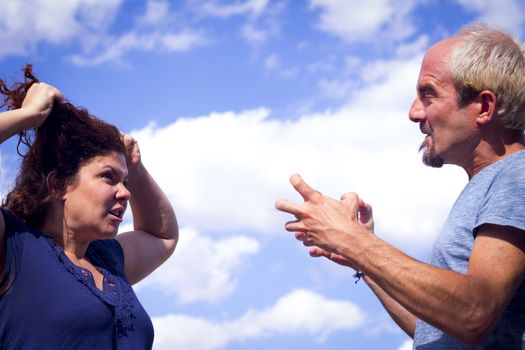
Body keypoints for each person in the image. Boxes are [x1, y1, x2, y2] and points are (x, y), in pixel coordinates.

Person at [275, 23, 525, 349]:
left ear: (484, 106)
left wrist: (352, 241)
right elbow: (437, 328)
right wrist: (363, 256)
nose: (413, 112)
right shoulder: (495, 181)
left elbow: (473, 314)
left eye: (428, 94)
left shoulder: (515, 175)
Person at [0, 65, 179, 349]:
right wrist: (29, 115)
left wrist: (136, 166)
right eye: (108, 177)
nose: (125, 193)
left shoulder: (107, 260)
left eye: (125, 181)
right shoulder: (14, 244)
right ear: (59, 184)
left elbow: (163, 236)